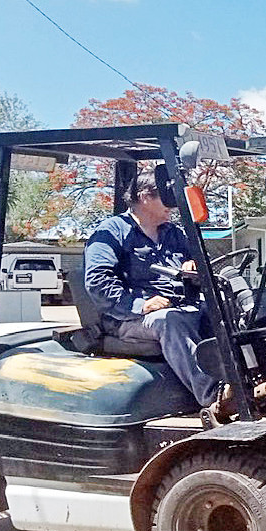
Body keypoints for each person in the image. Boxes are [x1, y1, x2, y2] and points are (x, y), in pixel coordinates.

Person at [83, 171, 221, 408]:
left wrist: (195, 265)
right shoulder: (111, 232)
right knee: (170, 321)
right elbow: (97, 281)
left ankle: (250, 380)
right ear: (145, 197)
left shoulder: (174, 233)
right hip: (129, 318)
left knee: (223, 312)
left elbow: (201, 263)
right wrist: (140, 305)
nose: (173, 206)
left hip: (181, 305)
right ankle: (214, 397)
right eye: (167, 197)